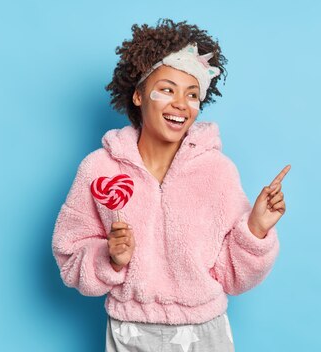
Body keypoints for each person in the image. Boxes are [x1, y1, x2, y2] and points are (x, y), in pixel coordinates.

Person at [51, 18, 290, 352]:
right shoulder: (99, 169)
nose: (181, 103)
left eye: (192, 95)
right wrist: (110, 257)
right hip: (130, 330)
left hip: (205, 332)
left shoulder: (217, 172)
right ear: (137, 95)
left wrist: (256, 229)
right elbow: (69, 255)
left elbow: (234, 276)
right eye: (167, 89)